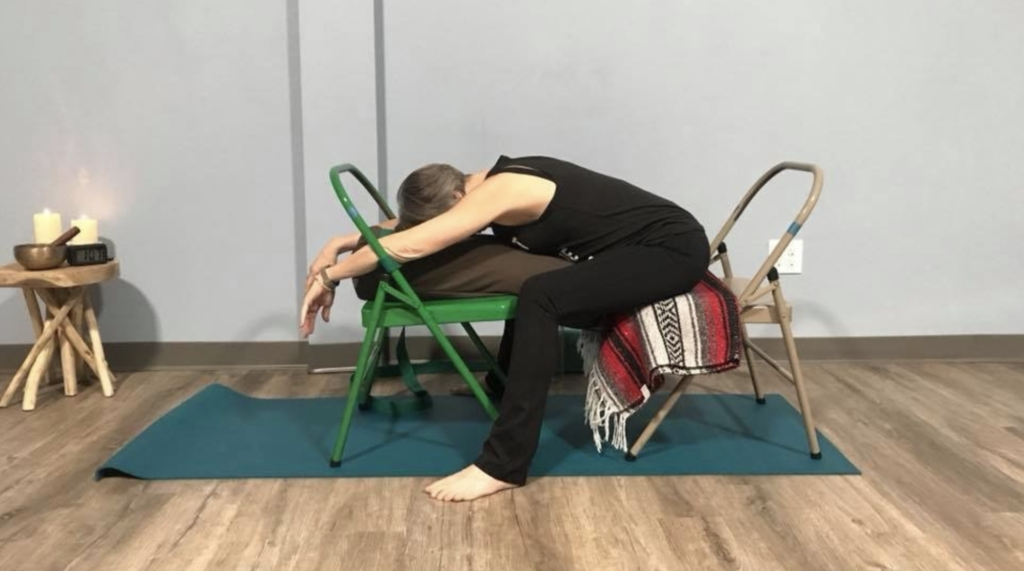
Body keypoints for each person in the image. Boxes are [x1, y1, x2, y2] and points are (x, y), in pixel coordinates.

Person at [301, 155, 710, 502]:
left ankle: (503, 465)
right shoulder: (481, 186)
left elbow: (414, 243)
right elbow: (410, 228)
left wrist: (330, 277)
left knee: (541, 296)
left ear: (458, 199)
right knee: (537, 289)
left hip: (670, 252)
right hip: (640, 249)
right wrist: (339, 240)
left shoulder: (505, 189)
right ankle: (501, 385)